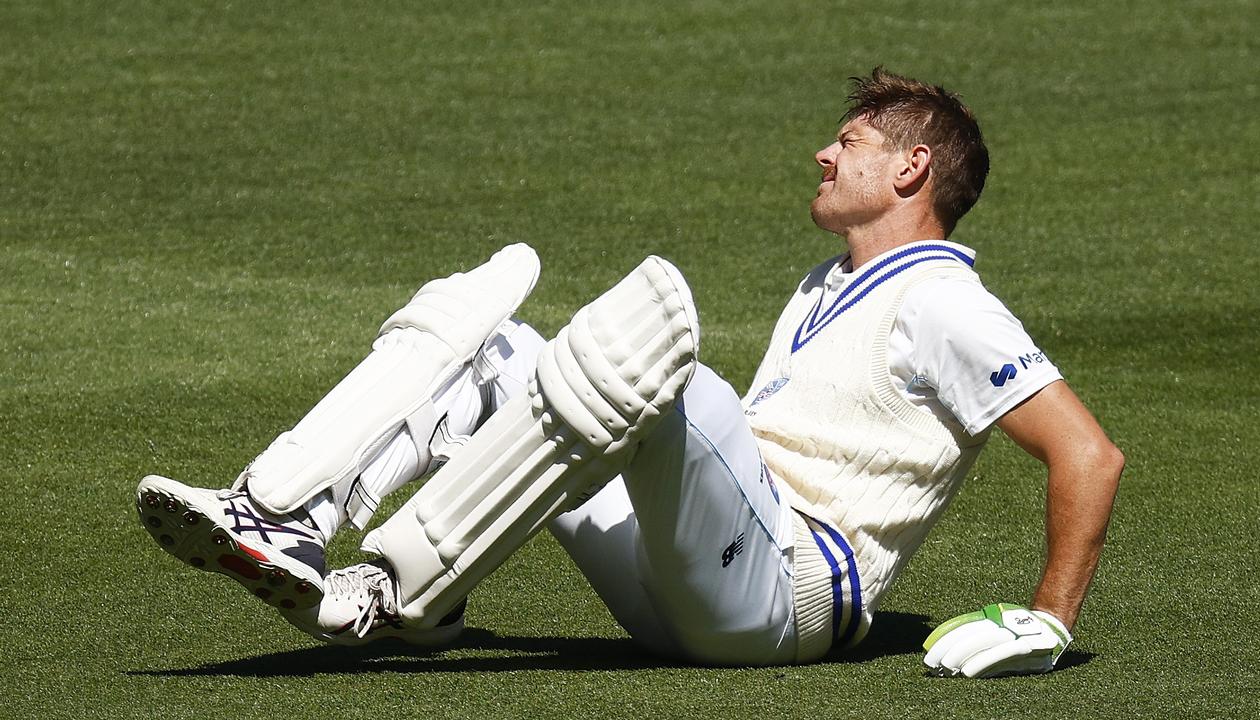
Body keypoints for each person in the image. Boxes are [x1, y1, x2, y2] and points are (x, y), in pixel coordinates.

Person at [136, 67, 1123, 677]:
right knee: (498, 348)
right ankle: (289, 520)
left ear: (911, 171)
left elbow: (1088, 453)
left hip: (784, 601)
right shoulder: (830, 283)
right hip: (691, 579)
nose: (822, 152)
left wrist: (1045, 620)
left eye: (851, 142)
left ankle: (390, 593)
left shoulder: (941, 300)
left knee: (667, 377)